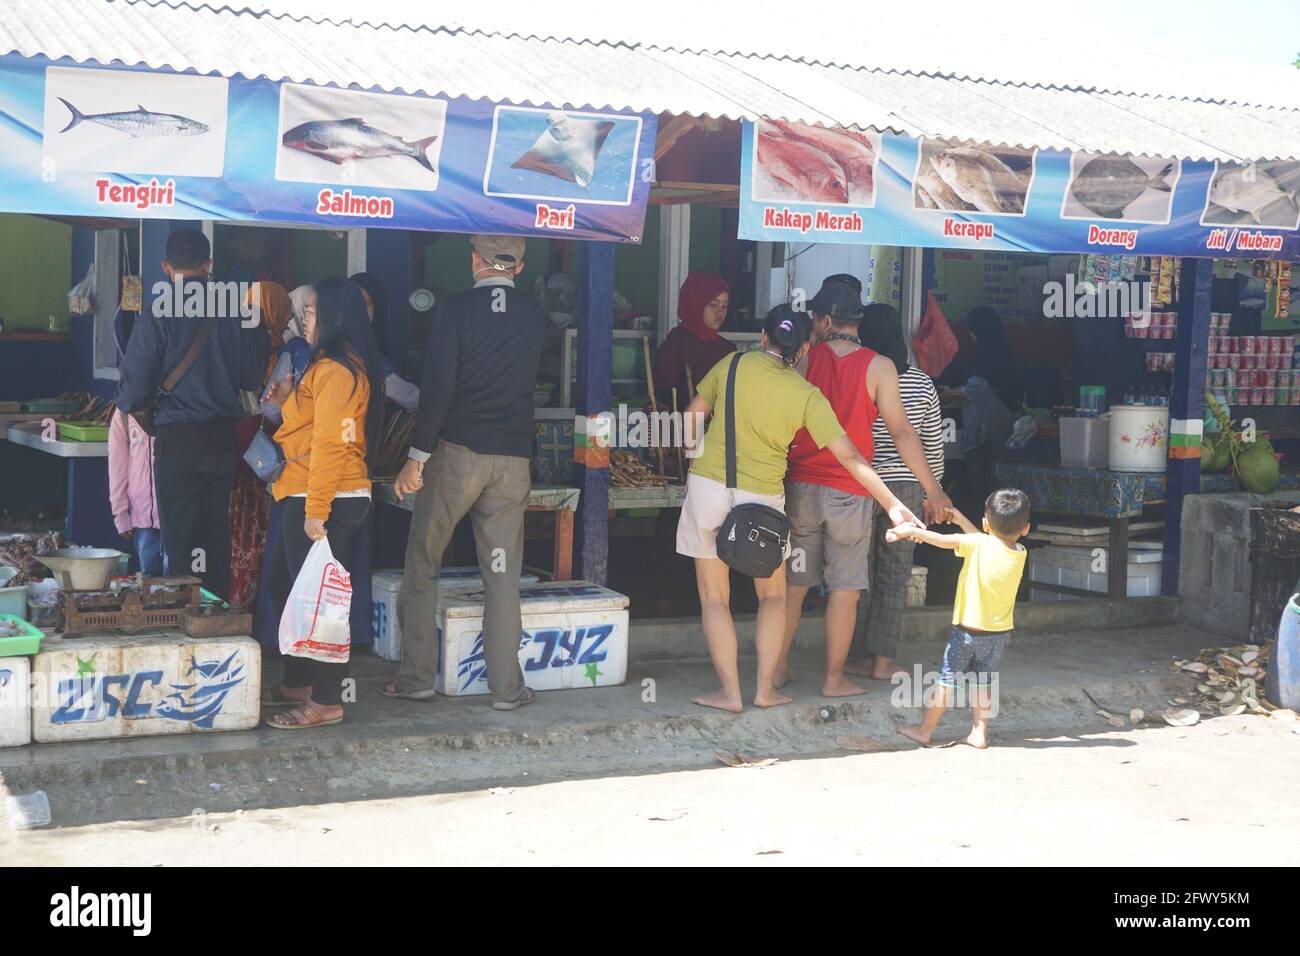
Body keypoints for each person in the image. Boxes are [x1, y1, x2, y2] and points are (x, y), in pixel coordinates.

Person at [676, 304, 922, 713]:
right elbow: (852, 458)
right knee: (772, 597)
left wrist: (693, 460)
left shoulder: (731, 365)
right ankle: (764, 691)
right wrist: (893, 504)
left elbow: (691, 417)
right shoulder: (806, 394)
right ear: (806, 347)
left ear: (763, 337)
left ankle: (730, 694)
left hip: (707, 489)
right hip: (762, 501)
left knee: (714, 599)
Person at [388, 235, 546, 710]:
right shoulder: (535, 317)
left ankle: (416, 678)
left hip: (457, 456)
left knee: (423, 564)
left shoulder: (456, 310)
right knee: (501, 575)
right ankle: (507, 690)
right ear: (518, 267)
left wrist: (417, 456)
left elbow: (439, 387)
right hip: (512, 462)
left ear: (475, 261)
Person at [778, 282, 951, 697]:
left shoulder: (803, 361)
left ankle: (777, 668)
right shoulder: (880, 367)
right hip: (851, 491)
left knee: (795, 586)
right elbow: (904, 433)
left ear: (822, 320)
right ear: (857, 321)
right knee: (845, 588)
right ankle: (835, 678)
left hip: (801, 487)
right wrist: (934, 490)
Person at [115, 229, 268, 601]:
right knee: (215, 533)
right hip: (221, 441)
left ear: (166, 267)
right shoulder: (238, 312)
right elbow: (251, 377)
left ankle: (188, 619)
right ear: (208, 265)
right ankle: (212, 614)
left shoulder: (157, 313)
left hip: (177, 443)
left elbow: (133, 393)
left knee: (181, 540)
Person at [261, 277, 385, 729]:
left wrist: (316, 510)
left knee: (321, 605)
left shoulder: (336, 370)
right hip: (306, 489)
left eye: (310, 312)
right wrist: (290, 399)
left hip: (325, 495)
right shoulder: (327, 366)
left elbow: (332, 444)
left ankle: (327, 700)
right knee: (286, 586)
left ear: (333, 316)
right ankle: (298, 682)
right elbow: (315, 426)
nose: (303, 319)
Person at [845, 302, 947, 680]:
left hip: (859, 483)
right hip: (906, 488)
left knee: (856, 575)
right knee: (895, 576)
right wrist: (932, 490)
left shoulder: (859, 375)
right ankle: (883, 662)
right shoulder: (922, 383)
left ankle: (854, 655)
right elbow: (932, 442)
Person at [889, 489, 1031, 749]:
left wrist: (912, 532)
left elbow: (945, 541)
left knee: (946, 681)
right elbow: (984, 539)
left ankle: (924, 730)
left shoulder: (978, 545)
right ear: (1026, 528)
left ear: (986, 522)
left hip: (966, 632)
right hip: (998, 634)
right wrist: (961, 519)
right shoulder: (1020, 551)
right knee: (984, 681)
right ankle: (979, 732)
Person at [227, 281, 295, 611]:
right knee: (258, 539)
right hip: (264, 457)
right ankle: (256, 612)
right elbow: (275, 409)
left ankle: (230, 606)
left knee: (231, 536)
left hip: (231, 449)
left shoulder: (229, 339)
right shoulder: (284, 352)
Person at [942, 306, 1025, 516]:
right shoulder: (1006, 349)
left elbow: (977, 388)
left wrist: (949, 394)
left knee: (981, 480)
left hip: (984, 429)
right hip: (1007, 424)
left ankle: (984, 524)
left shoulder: (984, 353)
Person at [652, 272, 735, 408]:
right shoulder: (676, 345)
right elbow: (663, 397)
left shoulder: (727, 349)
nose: (720, 313)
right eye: (713, 305)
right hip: (683, 426)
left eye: (724, 306)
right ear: (695, 304)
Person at [349, 271, 421, 411]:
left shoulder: (370, 348)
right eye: (354, 302)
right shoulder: (348, 349)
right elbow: (412, 398)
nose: (360, 309)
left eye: (367, 303)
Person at [107, 409, 162, 576]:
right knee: (150, 582)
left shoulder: (178, 403)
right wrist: (120, 513)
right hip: (142, 515)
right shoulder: (123, 414)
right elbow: (117, 466)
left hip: (177, 513)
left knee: (179, 581)